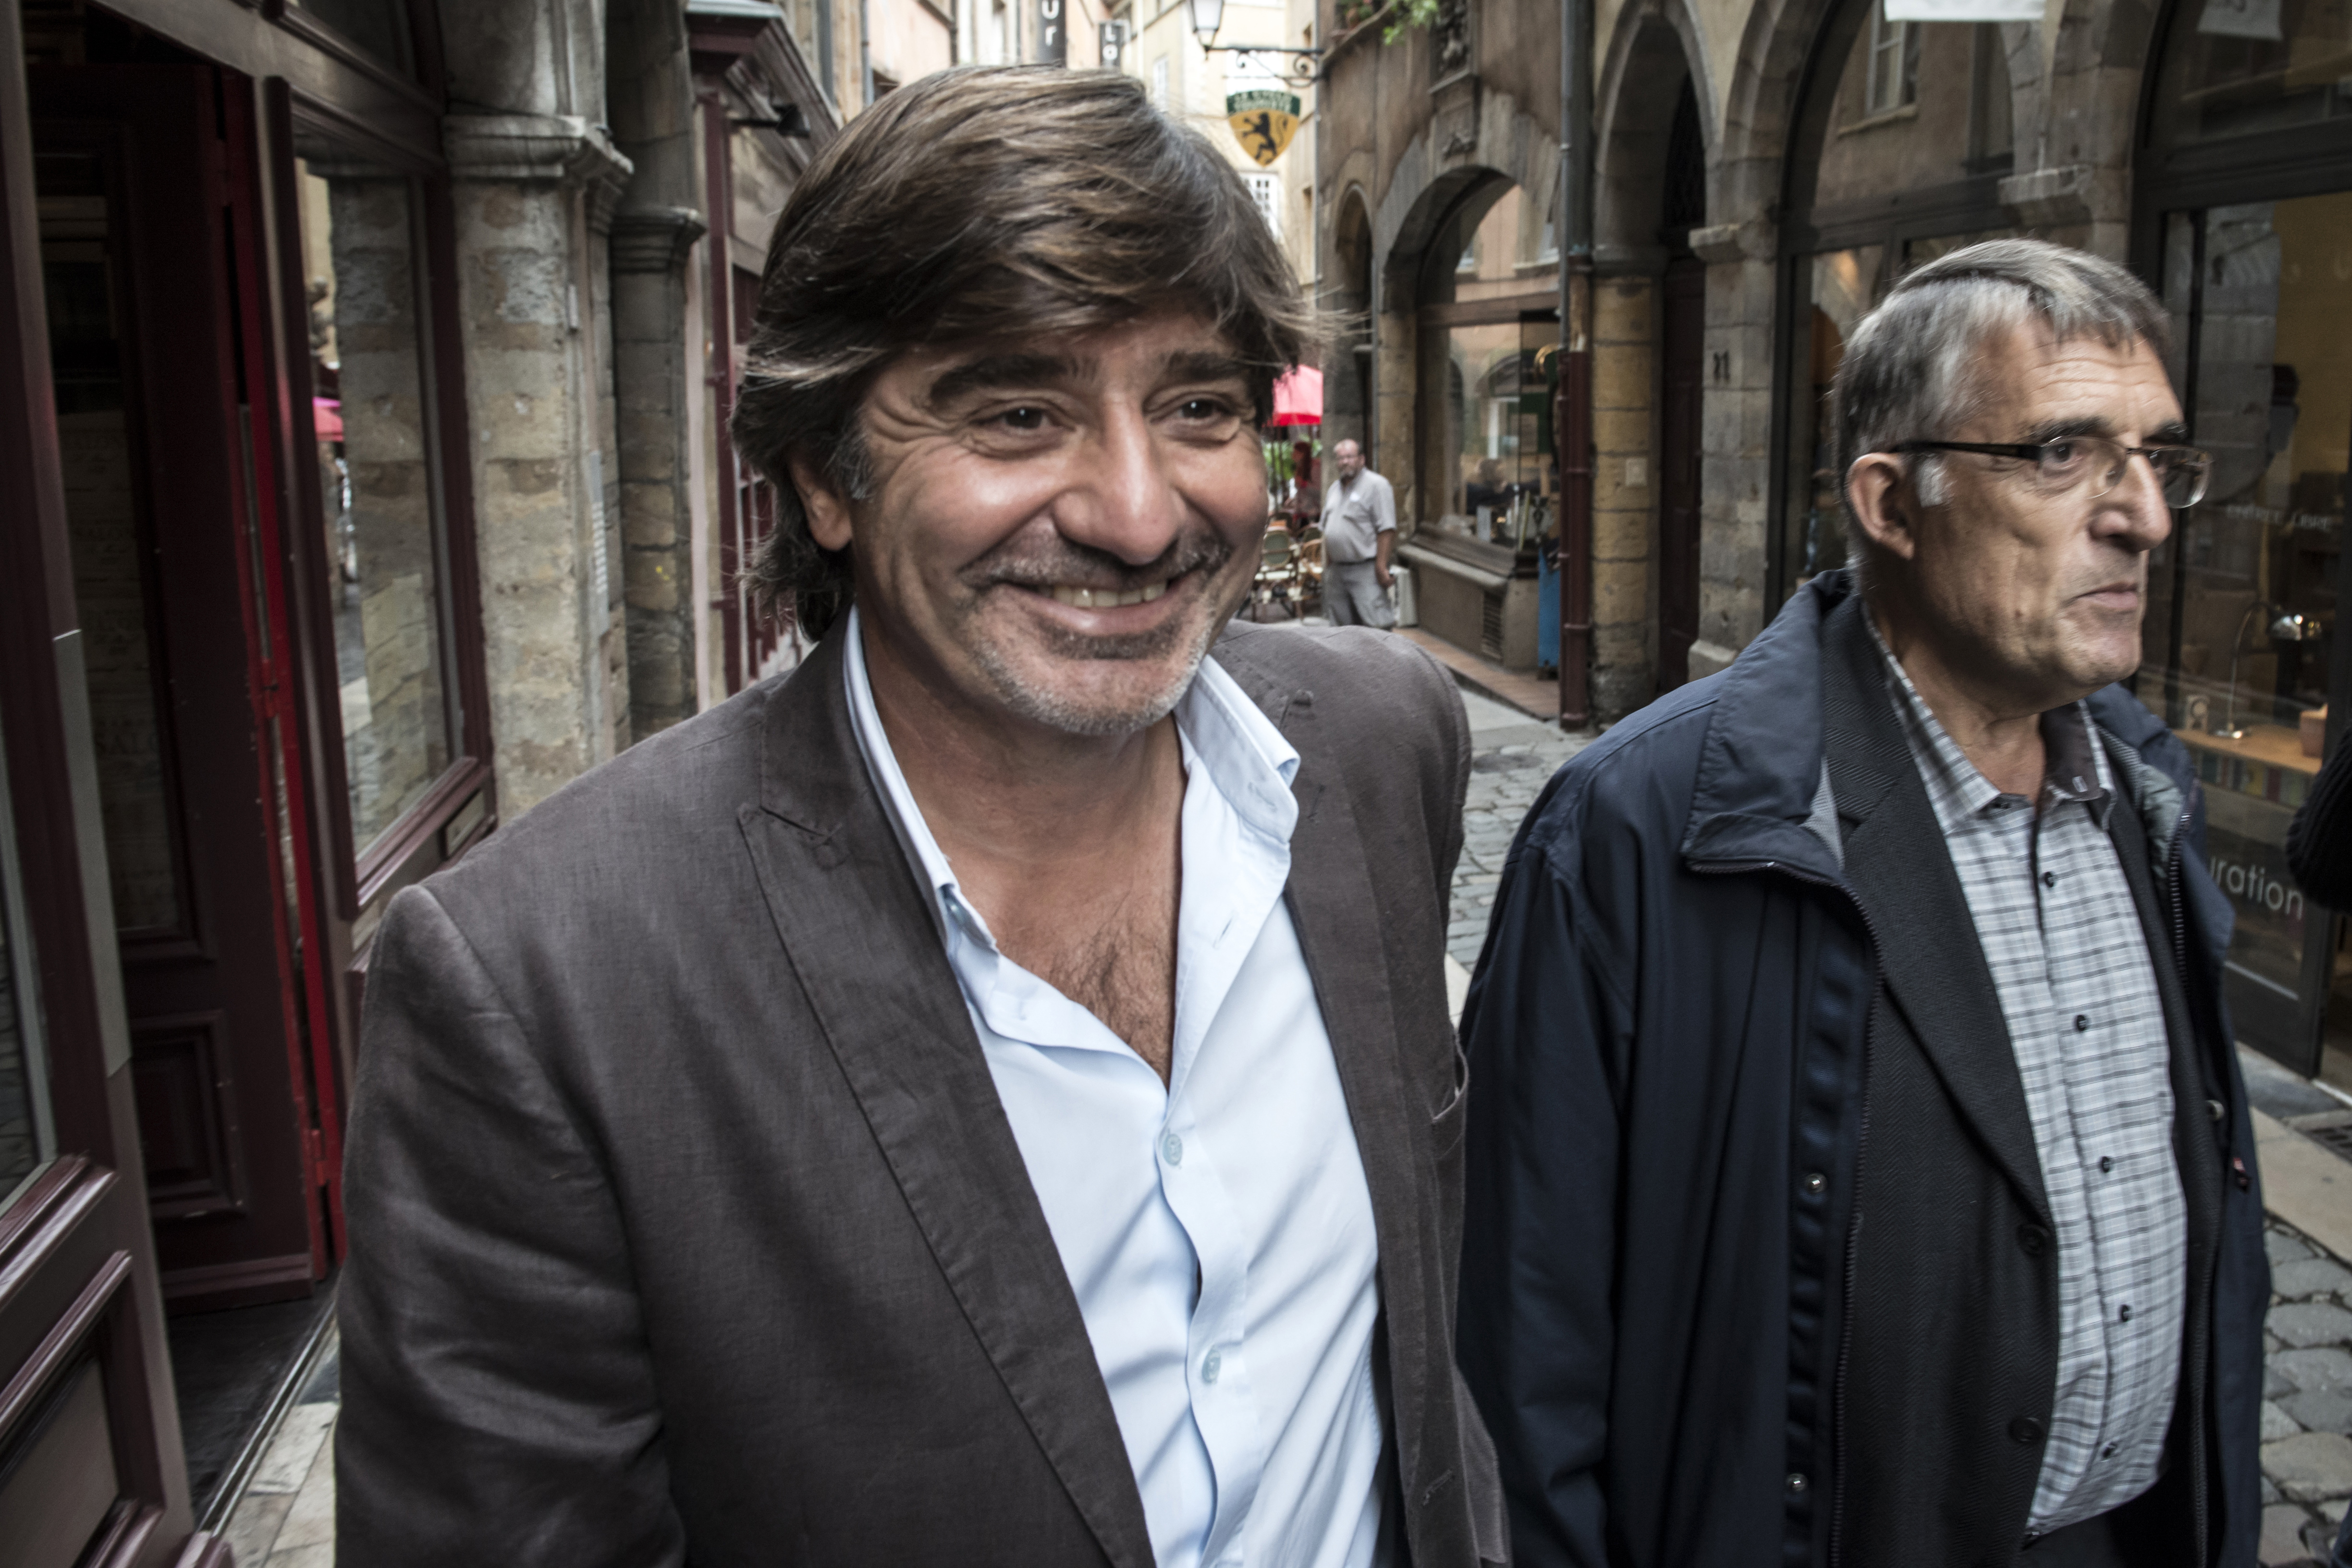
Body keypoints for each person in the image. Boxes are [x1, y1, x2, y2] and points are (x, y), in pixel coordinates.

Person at [336, 67, 1502, 1568]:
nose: (1141, 516)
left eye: (1198, 404)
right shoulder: (543, 983)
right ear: (826, 470)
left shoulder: (1379, 745)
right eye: (1017, 413)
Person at [1458, 239, 2267, 1568]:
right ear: (1894, 502)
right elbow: (1522, 1351)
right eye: (2065, 455)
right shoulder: (1642, 828)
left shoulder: (2146, 796)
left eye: (2158, 459)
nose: (2145, 519)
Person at [1321, 438, 1397, 628]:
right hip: (1338, 571)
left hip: (1365, 570)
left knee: (1377, 626)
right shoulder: (1334, 490)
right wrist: (1329, 567)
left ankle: (1382, 659)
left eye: (1350, 457)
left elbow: (1387, 529)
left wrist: (1381, 567)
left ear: (1362, 459)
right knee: (1341, 630)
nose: (1345, 462)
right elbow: (1327, 530)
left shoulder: (1377, 486)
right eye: (1340, 458)